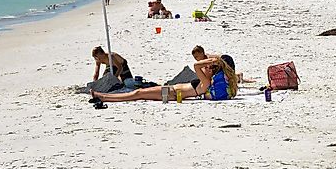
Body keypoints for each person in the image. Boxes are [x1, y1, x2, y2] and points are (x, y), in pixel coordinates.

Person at [92, 55, 238, 103]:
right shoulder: (206, 82)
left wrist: (210, 61)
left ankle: (104, 97)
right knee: (139, 93)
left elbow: (196, 65)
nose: (206, 68)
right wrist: (213, 61)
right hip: (171, 92)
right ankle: (105, 97)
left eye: (209, 67)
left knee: (138, 94)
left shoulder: (206, 82)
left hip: (171, 94)